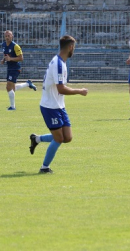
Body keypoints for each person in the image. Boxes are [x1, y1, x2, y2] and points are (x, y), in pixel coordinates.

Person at [29, 35, 88, 174]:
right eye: (74, 47)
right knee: (59, 138)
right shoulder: (58, 64)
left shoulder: (61, 61)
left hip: (59, 105)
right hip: (50, 106)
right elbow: (61, 88)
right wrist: (79, 91)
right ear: (70, 47)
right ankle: (44, 167)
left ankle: (36, 139)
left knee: (67, 137)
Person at [1, 30, 37, 111]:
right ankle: (28, 84)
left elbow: (21, 58)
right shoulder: (3, 45)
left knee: (8, 86)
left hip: (15, 68)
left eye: (8, 36)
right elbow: (6, 55)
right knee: (11, 88)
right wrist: (3, 60)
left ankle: (12, 107)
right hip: (9, 68)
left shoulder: (15, 46)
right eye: (6, 36)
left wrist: (10, 59)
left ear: (12, 36)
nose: (7, 37)